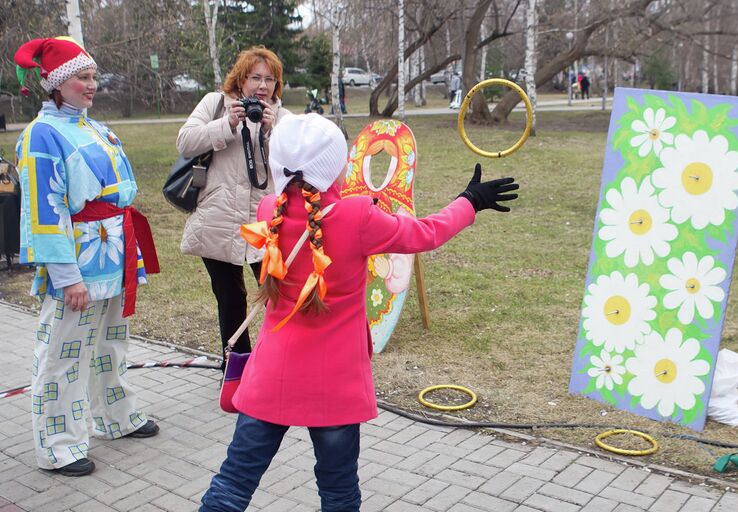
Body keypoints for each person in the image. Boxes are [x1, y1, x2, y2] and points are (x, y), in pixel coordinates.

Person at [198, 113, 520, 511]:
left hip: (271, 377)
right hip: (335, 385)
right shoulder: (358, 217)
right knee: (338, 493)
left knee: (232, 483)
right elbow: (426, 234)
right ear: (337, 165)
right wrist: (471, 201)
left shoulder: (269, 210)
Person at [14, 36, 161, 477]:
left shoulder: (93, 126)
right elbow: (44, 210)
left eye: (93, 75)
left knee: (109, 344)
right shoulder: (42, 134)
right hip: (79, 260)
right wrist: (66, 275)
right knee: (64, 352)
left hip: (113, 251)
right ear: (58, 83)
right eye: (82, 76)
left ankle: (114, 417)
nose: (92, 84)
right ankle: (58, 445)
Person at [177, 46, 290, 370]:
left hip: (266, 224)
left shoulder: (282, 116)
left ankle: (277, 366)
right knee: (230, 299)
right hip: (218, 219)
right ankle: (237, 370)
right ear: (240, 80)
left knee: (277, 296)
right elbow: (184, 142)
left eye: (270, 79)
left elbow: (299, 163)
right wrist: (225, 125)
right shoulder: (215, 104)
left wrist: (272, 132)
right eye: (256, 77)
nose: (263, 86)